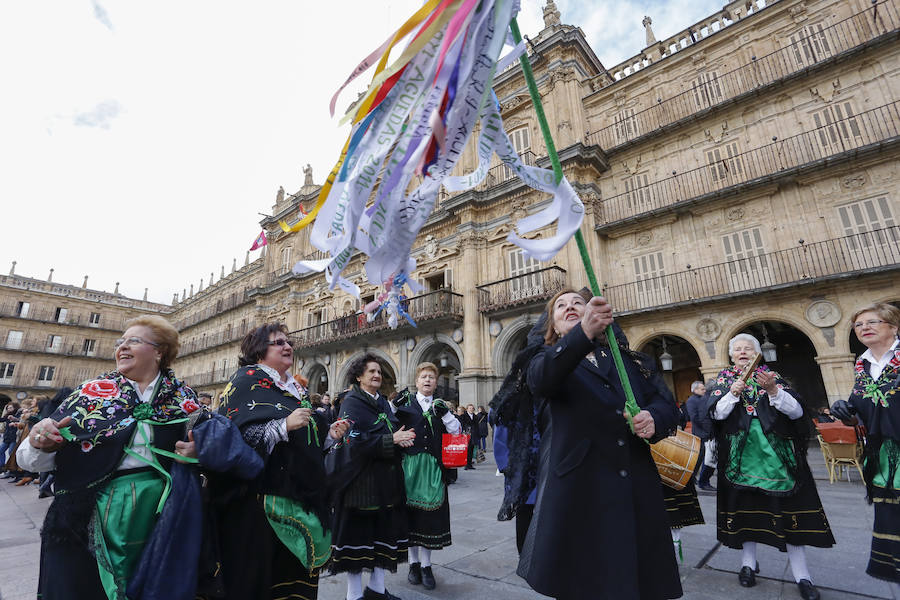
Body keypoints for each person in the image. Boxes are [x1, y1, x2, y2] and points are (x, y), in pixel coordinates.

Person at [16, 315, 262, 600]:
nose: (122, 347)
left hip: (165, 512)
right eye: (120, 342)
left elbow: (222, 448)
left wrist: (199, 452)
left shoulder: (184, 400)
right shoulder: (89, 395)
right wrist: (39, 444)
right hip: (93, 511)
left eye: (133, 341)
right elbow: (29, 460)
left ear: (159, 352)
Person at [517, 288, 682, 600]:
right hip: (579, 490)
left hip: (634, 484)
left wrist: (652, 418)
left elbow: (665, 403)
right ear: (553, 325)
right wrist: (582, 334)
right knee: (582, 582)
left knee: (636, 579)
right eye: (560, 306)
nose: (569, 307)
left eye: (577, 303)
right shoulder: (545, 359)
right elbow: (542, 380)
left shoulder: (627, 362)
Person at [216, 323, 350, 600]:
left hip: (302, 496)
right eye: (278, 342)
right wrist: (283, 425)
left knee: (295, 584)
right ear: (258, 351)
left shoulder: (294, 388)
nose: (287, 346)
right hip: (261, 503)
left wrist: (328, 435)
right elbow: (235, 437)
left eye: (288, 342)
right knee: (263, 581)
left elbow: (305, 441)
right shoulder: (245, 381)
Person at [707, 333, 833, 600]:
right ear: (731, 356)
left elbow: (797, 412)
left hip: (779, 460)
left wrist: (774, 390)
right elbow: (716, 414)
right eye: (737, 349)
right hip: (740, 461)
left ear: (757, 354)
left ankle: (802, 575)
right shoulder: (724, 380)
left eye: (748, 348)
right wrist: (732, 393)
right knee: (745, 512)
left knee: (789, 515)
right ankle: (748, 564)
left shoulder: (773, 377)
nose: (742, 352)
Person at [330, 354, 415, 600]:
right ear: (359, 376)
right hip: (360, 484)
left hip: (386, 483)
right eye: (371, 372)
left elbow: (391, 429)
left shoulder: (383, 403)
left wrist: (401, 439)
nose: (377, 375)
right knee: (358, 539)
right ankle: (354, 595)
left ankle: (377, 590)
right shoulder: (352, 403)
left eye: (379, 371)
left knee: (382, 535)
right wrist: (391, 440)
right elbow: (352, 442)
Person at [831, 302, 900, 594]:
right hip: (884, 457)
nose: (864, 328)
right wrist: (846, 411)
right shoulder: (864, 366)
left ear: (893, 327)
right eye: (858, 325)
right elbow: (862, 409)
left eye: (872, 322)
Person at [393, 362, 461, 590]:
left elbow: (457, 431)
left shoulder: (440, 406)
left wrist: (447, 415)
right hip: (410, 467)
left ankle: (426, 565)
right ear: (417, 381)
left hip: (433, 468)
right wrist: (393, 405)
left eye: (431, 377)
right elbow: (388, 424)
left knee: (429, 518)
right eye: (424, 377)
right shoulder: (406, 405)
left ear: (436, 382)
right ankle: (413, 564)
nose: (428, 380)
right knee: (411, 515)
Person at [685, 380, 716, 492]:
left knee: (703, 457)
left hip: (705, 432)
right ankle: (692, 477)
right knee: (699, 457)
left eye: (704, 389)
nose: (704, 390)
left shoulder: (701, 399)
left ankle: (694, 478)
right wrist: (705, 430)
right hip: (700, 433)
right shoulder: (692, 400)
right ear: (695, 390)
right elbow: (694, 418)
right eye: (702, 389)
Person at [459, 404, 477, 469]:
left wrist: (478, 435)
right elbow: (461, 424)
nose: (471, 409)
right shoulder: (463, 416)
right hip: (466, 434)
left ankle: (470, 464)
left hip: (473, 435)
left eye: (472, 408)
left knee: (471, 450)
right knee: (467, 450)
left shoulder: (475, 416)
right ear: (467, 409)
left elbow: (477, 426)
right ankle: (466, 464)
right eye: (470, 408)